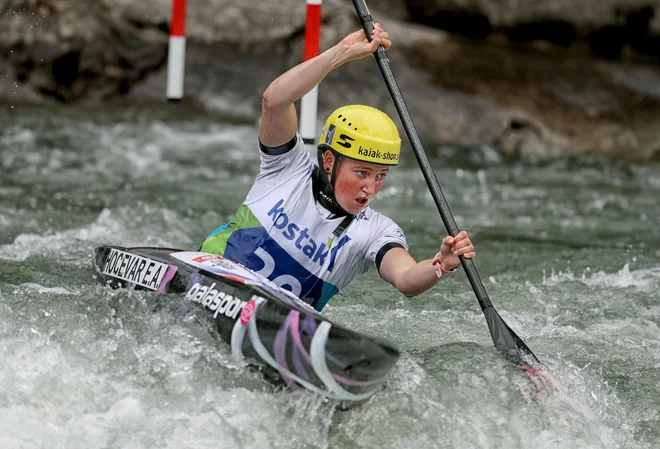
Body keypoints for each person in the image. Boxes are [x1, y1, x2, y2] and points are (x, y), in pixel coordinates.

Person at [201, 24, 475, 311]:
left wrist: (440, 265)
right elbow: (275, 100)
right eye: (361, 173)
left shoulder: (375, 231)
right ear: (330, 161)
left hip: (273, 325)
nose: (370, 187)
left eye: (381, 175)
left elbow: (406, 279)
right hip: (207, 281)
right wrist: (341, 53)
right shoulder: (287, 168)